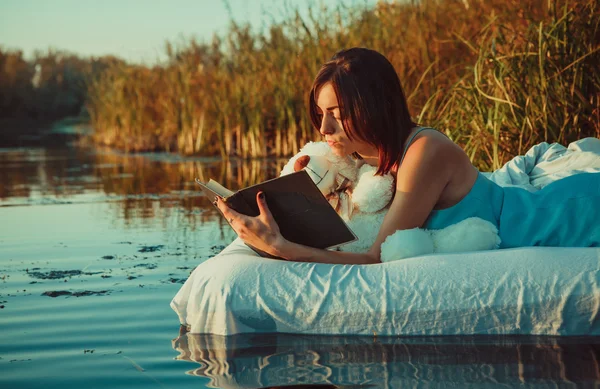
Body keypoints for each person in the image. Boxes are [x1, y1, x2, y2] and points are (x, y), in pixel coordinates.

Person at [215, 47, 600, 264]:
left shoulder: (424, 152)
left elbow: (378, 258)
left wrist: (280, 247)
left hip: (564, 214)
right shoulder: (362, 153)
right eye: (321, 114)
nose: (324, 130)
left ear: (373, 108)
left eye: (338, 114)